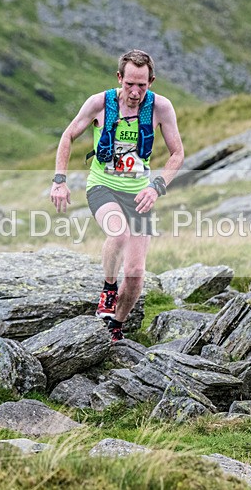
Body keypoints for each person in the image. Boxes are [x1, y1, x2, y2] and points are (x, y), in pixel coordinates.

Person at [50, 49, 184, 341]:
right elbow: (68, 135)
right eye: (130, 84)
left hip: (139, 194)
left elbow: (177, 154)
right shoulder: (99, 103)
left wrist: (156, 187)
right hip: (103, 186)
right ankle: (109, 289)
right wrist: (59, 180)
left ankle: (115, 327)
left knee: (136, 274)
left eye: (142, 86)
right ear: (119, 78)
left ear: (151, 82)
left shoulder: (161, 108)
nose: (135, 92)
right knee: (119, 232)